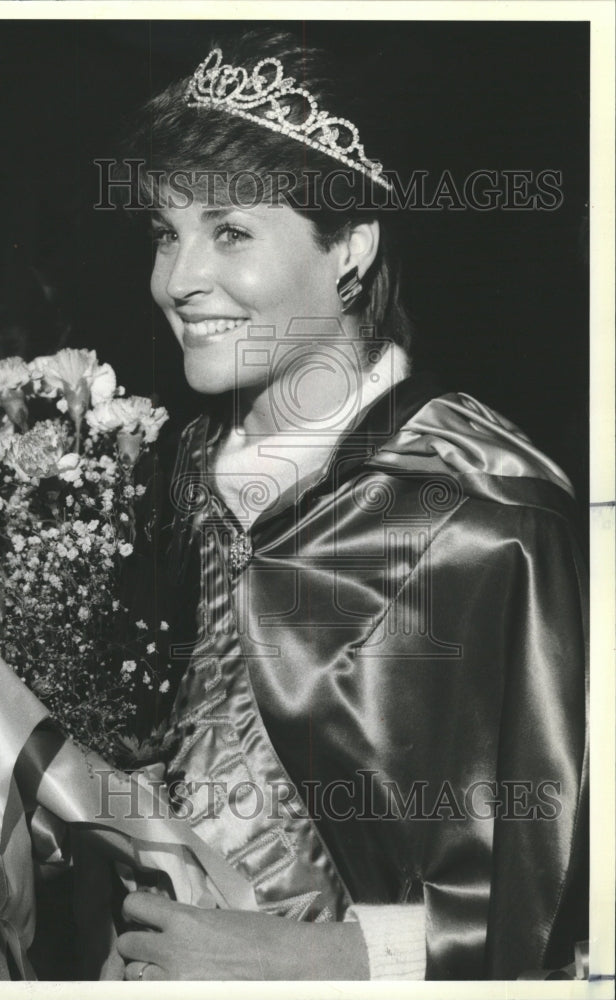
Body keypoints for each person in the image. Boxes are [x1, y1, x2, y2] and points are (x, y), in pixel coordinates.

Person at [95, 30, 588, 981]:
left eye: (229, 230)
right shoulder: (169, 476)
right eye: (166, 231)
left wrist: (307, 961)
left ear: (351, 247)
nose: (177, 279)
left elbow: (556, 903)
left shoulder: (488, 519)